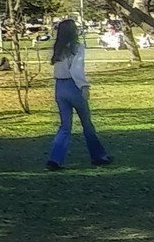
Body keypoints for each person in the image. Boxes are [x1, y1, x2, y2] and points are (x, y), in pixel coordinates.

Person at [45, 18, 113, 171]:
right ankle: (98, 156)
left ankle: (55, 159)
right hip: (73, 86)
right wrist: (84, 86)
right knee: (87, 124)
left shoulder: (57, 48)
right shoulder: (77, 47)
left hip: (59, 87)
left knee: (65, 126)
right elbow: (76, 69)